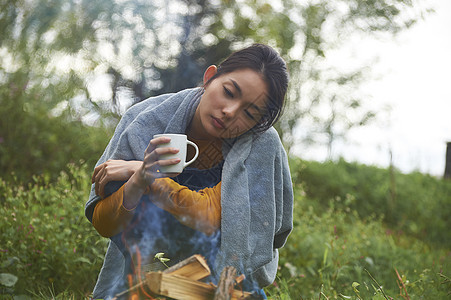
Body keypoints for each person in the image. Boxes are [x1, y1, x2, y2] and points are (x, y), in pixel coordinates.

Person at [85, 43, 293, 299]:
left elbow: (210, 218)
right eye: (228, 92)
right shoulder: (147, 119)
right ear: (209, 77)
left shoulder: (260, 145)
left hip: (225, 279)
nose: (230, 112)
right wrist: (138, 181)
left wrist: (144, 175)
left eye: (249, 114)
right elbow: (104, 223)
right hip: (148, 270)